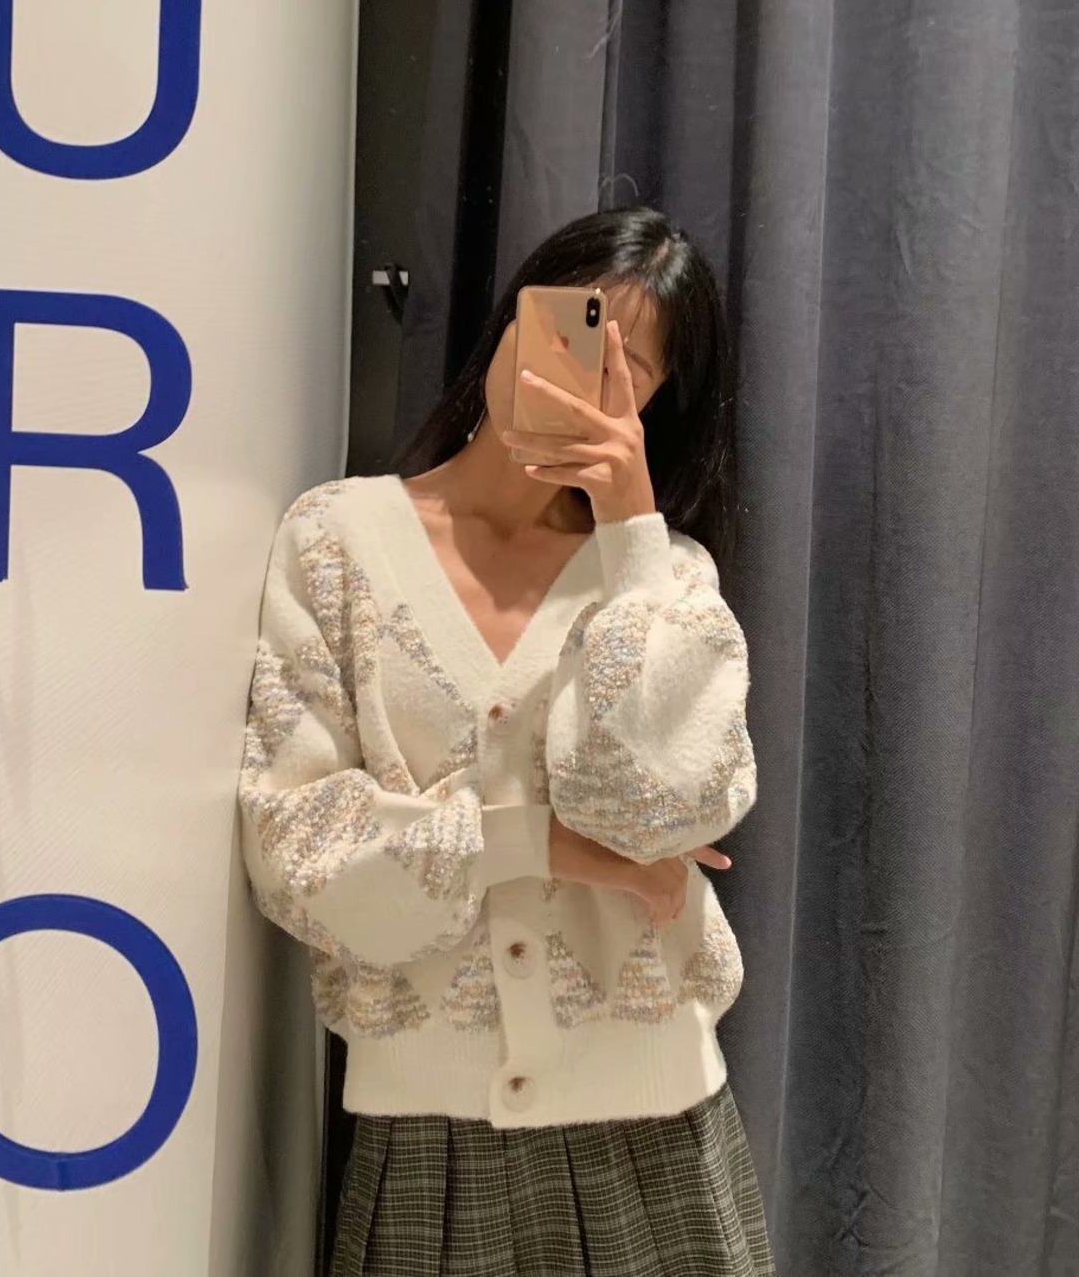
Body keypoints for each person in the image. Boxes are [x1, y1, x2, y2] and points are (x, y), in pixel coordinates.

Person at [238, 206, 776, 1276]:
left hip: (655, 1132)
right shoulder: (336, 540)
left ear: (656, 402)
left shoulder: (665, 581)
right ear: (511, 319)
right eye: (571, 327)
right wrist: (542, 844)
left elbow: (656, 813)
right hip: (429, 1148)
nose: (577, 374)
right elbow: (295, 850)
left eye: (626, 368)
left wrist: (630, 529)